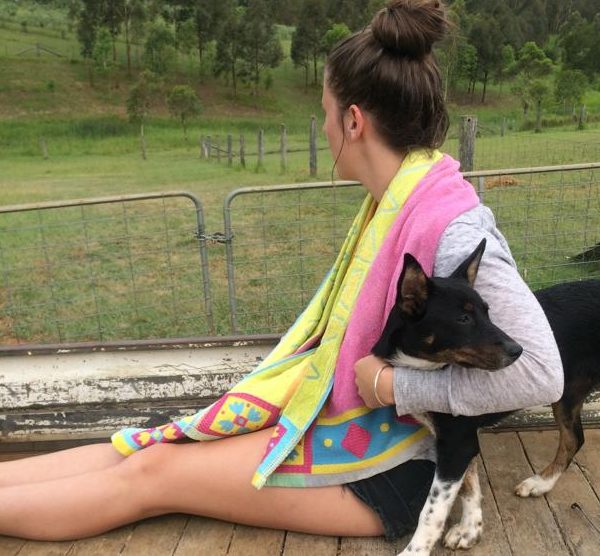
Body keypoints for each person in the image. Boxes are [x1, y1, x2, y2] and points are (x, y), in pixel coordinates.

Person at [0, 0, 563, 543]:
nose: (321, 127)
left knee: (154, 475)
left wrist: (390, 384)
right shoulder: (396, 203)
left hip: (398, 465)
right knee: (145, 448)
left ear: (352, 120)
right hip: (351, 426)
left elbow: (542, 373)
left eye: (322, 112)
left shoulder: (453, 228)